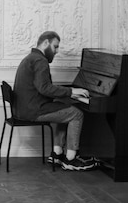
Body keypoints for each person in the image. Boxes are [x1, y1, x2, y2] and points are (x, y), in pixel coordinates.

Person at [13, 31, 96, 171]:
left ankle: (57, 154)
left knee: (63, 107)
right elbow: (44, 88)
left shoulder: (30, 58)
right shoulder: (40, 61)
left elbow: (42, 88)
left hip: (23, 109)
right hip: (33, 110)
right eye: (55, 47)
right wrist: (71, 92)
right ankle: (70, 159)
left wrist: (68, 95)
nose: (57, 51)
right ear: (46, 43)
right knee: (76, 114)